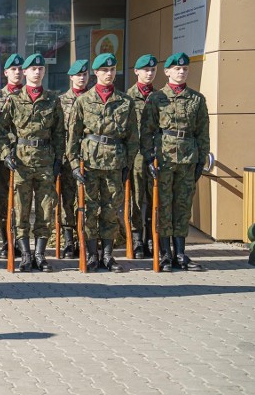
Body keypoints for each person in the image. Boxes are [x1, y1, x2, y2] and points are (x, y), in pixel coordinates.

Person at [67, 53, 138, 273]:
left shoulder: (125, 102)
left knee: (110, 210)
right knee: (89, 209)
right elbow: (73, 135)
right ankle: (91, 255)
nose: (109, 74)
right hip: (89, 163)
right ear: (95, 73)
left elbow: (132, 137)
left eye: (112, 70)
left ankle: (108, 255)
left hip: (115, 162)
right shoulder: (83, 100)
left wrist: (127, 164)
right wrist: (72, 163)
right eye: (104, 70)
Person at [141, 52, 209, 272]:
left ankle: (180, 253)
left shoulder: (197, 99)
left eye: (185, 69)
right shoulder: (156, 98)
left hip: (188, 158)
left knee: (182, 206)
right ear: (167, 71)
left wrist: (201, 159)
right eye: (177, 69)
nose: (181, 72)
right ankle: (164, 254)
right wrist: (150, 157)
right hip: (165, 158)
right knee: (163, 205)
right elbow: (147, 131)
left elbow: (202, 133)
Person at [0, 53, 64, 273]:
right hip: (21, 162)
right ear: (24, 72)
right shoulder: (14, 100)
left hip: (45, 160)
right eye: (32, 69)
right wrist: (6, 152)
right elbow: (2, 130)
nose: (37, 72)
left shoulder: (53, 100)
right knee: (21, 208)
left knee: (46, 209)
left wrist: (58, 159)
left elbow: (59, 133)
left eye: (40, 69)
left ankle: (40, 255)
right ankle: (25, 255)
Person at [0, 54, 24, 259]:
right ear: (6, 73)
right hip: (3, 158)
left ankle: (22, 242)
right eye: (13, 69)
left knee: (23, 203)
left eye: (20, 69)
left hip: (27, 158)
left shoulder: (30, 95)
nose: (17, 72)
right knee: (3, 202)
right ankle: (5, 240)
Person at [57, 59, 90, 259]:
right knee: (67, 201)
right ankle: (69, 241)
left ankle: (85, 239)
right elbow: (58, 132)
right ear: (71, 77)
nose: (81, 78)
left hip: (89, 157)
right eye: (78, 75)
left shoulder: (93, 99)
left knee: (87, 201)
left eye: (85, 75)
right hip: (68, 160)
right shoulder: (61, 101)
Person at [126, 54, 158, 259]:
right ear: (136, 71)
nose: (149, 73)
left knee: (155, 197)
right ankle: (137, 240)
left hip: (156, 153)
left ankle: (152, 239)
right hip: (136, 154)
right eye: (145, 70)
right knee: (136, 199)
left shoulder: (161, 97)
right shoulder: (127, 98)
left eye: (152, 70)